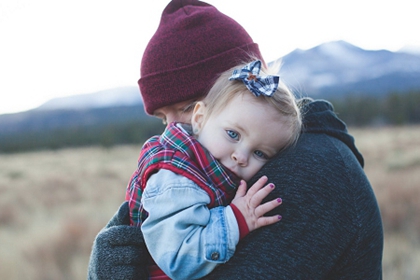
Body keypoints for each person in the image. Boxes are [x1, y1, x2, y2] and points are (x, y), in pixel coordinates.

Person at [88, 0, 384, 279]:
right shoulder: (215, 168)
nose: (173, 132)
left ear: (245, 88)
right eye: (164, 119)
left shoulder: (309, 172)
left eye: (189, 108)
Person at [126, 59, 302, 279]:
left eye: (260, 153)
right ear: (199, 119)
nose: (241, 156)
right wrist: (236, 219)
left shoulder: (211, 168)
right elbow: (179, 259)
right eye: (233, 134)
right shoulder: (176, 178)